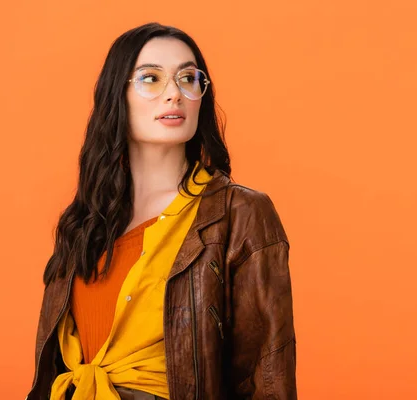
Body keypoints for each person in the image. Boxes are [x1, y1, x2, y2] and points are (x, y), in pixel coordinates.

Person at [26, 22, 297, 400]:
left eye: (188, 78)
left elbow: (267, 373)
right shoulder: (85, 221)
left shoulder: (241, 214)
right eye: (150, 78)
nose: (174, 94)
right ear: (116, 96)